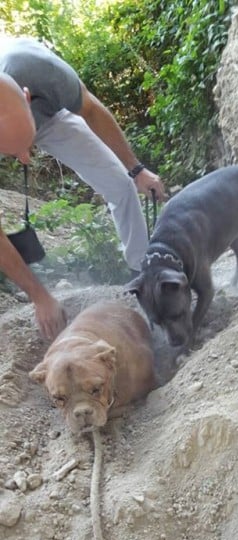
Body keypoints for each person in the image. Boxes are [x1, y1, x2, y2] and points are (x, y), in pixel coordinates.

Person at [0, 36, 166, 339]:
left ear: (26, 96)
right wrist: (40, 296)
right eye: (14, 154)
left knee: (121, 185)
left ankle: (142, 275)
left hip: (47, 116)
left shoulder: (40, 71)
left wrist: (137, 170)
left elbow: (89, 109)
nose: (26, 158)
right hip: (23, 121)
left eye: (27, 147)